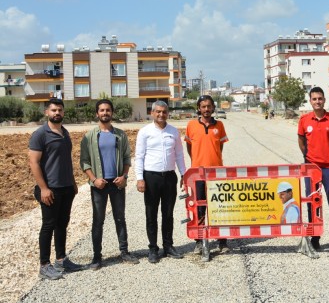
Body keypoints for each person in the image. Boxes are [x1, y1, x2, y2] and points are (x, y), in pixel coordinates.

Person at [28, 98, 84, 280]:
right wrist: (43, 188)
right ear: (47, 112)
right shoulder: (40, 134)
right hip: (50, 189)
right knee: (48, 225)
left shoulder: (65, 133)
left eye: (59, 110)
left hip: (66, 187)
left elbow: (65, 161)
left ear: (63, 112)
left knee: (62, 224)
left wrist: (73, 182)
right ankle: (44, 265)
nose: (57, 113)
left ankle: (61, 259)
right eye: (53, 110)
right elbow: (34, 163)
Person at [80, 99, 139, 270]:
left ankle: (125, 252)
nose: (105, 113)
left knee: (120, 218)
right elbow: (84, 161)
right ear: (97, 113)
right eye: (101, 110)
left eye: (107, 110)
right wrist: (94, 179)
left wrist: (124, 176)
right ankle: (97, 257)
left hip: (117, 183)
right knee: (98, 221)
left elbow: (127, 158)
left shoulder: (120, 135)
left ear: (112, 113)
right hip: (99, 185)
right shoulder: (89, 136)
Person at [135, 101, 187, 263]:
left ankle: (168, 246)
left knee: (168, 213)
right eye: (158, 112)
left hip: (170, 177)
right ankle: (153, 248)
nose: (161, 115)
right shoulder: (145, 132)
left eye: (164, 112)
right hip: (151, 177)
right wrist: (139, 178)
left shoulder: (174, 132)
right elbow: (139, 156)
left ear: (168, 113)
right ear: (152, 113)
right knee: (151, 214)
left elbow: (179, 154)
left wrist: (184, 174)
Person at [297, 86, 329, 252]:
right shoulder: (304, 120)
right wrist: (308, 158)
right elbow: (301, 141)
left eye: (320, 98)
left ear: (324, 100)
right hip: (311, 168)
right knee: (312, 204)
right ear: (310, 101)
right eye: (314, 99)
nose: (317, 101)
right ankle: (315, 238)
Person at [185, 95, 229, 260]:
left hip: (216, 174)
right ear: (198, 108)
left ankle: (222, 240)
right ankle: (199, 240)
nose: (206, 109)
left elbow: (220, 146)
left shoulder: (220, 125)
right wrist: (197, 162)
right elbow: (190, 148)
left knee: (219, 207)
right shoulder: (191, 125)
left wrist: (214, 161)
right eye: (203, 106)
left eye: (209, 106)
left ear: (213, 108)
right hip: (198, 174)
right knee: (199, 208)